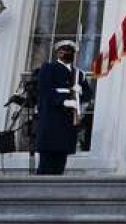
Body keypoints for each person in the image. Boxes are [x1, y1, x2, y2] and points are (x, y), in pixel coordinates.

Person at [35, 40, 92, 175]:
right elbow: (46, 91)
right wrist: (64, 101)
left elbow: (88, 95)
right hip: (52, 120)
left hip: (67, 123)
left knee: (59, 166)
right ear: (57, 53)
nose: (66, 53)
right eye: (63, 51)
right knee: (46, 166)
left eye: (69, 51)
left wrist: (81, 91)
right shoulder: (49, 68)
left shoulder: (78, 74)